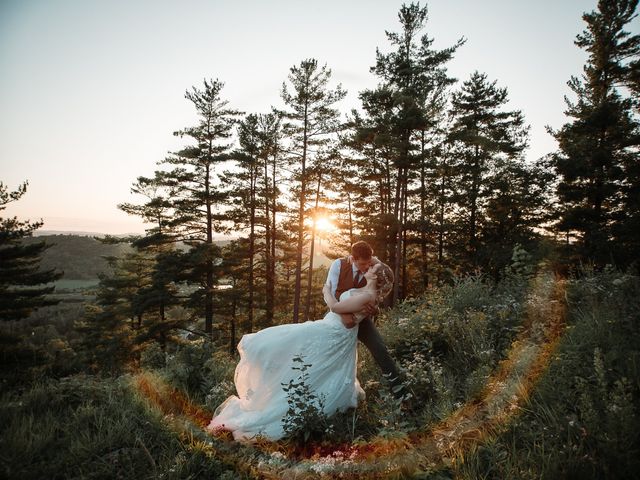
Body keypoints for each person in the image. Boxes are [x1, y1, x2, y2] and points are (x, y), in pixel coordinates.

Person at [206, 262, 394, 442]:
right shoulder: (367, 290)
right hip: (333, 329)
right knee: (311, 363)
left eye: (372, 268)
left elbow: (338, 310)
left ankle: (280, 401)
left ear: (375, 276)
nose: (369, 267)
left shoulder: (367, 295)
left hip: (334, 331)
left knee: (284, 341)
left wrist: (327, 292)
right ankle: (281, 391)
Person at [324, 241, 403, 393]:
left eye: (369, 262)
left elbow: (381, 291)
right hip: (337, 316)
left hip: (362, 319)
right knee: (331, 355)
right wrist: (345, 316)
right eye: (362, 263)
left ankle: (399, 391)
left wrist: (374, 309)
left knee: (380, 349)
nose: (367, 267)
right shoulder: (338, 265)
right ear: (353, 258)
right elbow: (332, 294)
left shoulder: (374, 267)